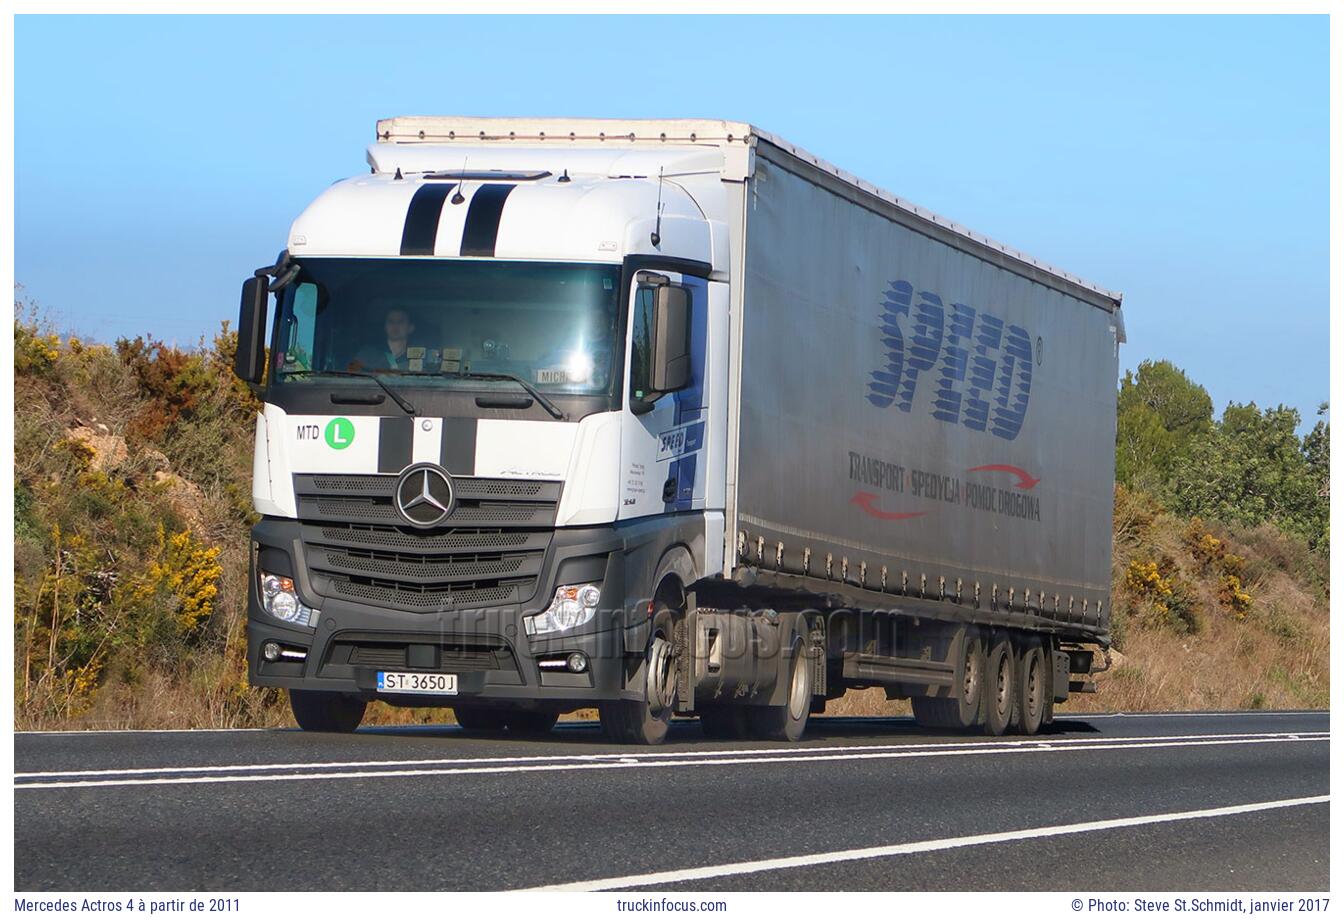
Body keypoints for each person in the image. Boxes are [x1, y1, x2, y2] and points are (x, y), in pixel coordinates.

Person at [351, 307, 417, 372]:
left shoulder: (418, 356)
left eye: (400, 322)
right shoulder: (367, 354)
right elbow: (351, 375)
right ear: (385, 327)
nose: (395, 325)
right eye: (391, 321)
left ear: (411, 328)